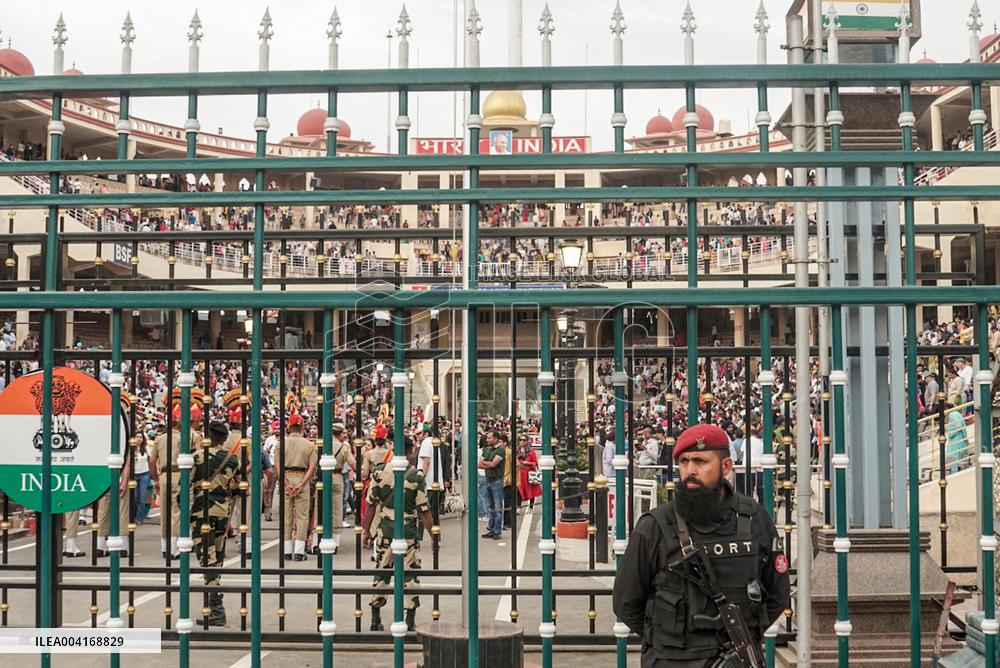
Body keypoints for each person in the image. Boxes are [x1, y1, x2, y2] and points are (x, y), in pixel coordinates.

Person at [612, 423, 789, 667]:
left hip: (736, 660)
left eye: (700, 461)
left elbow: (778, 592)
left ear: (726, 466)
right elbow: (626, 601)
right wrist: (667, 639)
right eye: (683, 462)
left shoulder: (754, 519)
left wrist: (743, 636)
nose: (690, 470)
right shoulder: (655, 526)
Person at [362, 436, 436, 633]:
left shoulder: (380, 472)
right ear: (411, 451)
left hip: (385, 530)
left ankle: (375, 617)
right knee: (410, 574)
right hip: (408, 532)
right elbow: (424, 510)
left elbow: (371, 504)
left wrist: (366, 531)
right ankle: (409, 618)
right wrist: (433, 535)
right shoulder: (415, 476)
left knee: (382, 571)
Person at [190, 420, 240, 626]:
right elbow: (237, 486)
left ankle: (216, 607)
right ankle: (214, 607)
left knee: (205, 557)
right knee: (217, 557)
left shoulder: (197, 457)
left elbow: (184, 485)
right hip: (222, 512)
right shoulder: (232, 460)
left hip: (202, 512)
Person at [275, 414, 317, 561]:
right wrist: (301, 483)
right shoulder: (310, 445)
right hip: (302, 478)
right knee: (302, 516)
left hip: (286, 477)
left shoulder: (280, 444)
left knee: (286, 516)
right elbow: (312, 467)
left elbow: (277, 466)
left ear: (289, 426)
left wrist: (286, 483)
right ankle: (299, 551)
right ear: (302, 427)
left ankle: (286, 550)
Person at [479, 429, 505, 539]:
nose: (488, 440)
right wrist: (487, 464)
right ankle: (491, 528)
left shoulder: (500, 450)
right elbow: (479, 464)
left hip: (497, 481)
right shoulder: (487, 449)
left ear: (496, 439)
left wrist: (486, 463)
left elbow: (494, 464)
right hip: (488, 480)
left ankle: (497, 531)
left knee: (497, 507)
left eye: (490, 438)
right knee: (490, 507)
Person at [516, 435, 541, 509]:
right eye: (520, 440)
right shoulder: (516, 451)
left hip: (528, 473)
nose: (522, 442)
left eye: (524, 440)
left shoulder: (531, 451)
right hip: (519, 473)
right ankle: (518, 507)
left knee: (531, 490)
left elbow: (535, 463)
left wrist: (529, 463)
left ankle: (531, 506)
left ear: (527, 441)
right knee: (518, 490)